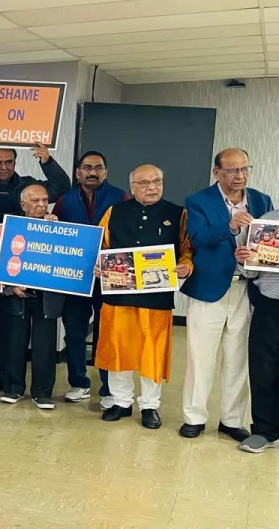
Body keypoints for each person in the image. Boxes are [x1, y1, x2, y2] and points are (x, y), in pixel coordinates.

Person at [179, 148, 274, 441]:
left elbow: (268, 241)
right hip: (208, 288)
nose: (240, 176)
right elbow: (196, 238)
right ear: (217, 172)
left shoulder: (261, 200)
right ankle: (194, 417)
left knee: (238, 357)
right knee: (201, 357)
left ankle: (232, 420)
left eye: (245, 169)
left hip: (247, 288)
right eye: (232, 170)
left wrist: (253, 256)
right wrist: (229, 227)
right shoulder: (199, 201)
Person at [96, 165, 193, 429]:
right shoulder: (114, 211)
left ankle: (150, 406)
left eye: (157, 181)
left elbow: (187, 249)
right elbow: (99, 246)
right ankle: (121, 402)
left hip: (156, 297)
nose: (152, 187)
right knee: (118, 348)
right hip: (119, 294)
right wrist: (97, 264)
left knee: (152, 351)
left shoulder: (177, 214)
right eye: (144, 183)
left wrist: (186, 266)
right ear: (132, 187)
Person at [52, 150, 127, 403]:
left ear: (106, 172)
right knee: (74, 331)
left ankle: (108, 388)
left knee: (106, 333)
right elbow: (55, 236)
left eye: (98, 168)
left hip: (109, 277)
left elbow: (128, 236)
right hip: (75, 277)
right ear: (78, 172)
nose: (92, 172)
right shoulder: (64, 200)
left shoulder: (121, 198)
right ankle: (79, 383)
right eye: (87, 168)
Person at [0, 183, 64, 408]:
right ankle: (13, 388)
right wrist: (9, 287)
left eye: (45, 200)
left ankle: (42, 392)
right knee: (14, 342)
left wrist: (56, 230)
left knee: (45, 345)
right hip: (16, 295)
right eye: (35, 201)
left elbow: (68, 257)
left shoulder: (58, 228)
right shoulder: (10, 226)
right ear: (23, 204)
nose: (42, 205)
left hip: (47, 297)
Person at [243, 206, 279, 453]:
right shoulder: (269, 220)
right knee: (264, 368)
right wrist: (245, 258)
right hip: (270, 302)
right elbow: (251, 270)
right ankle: (265, 431)